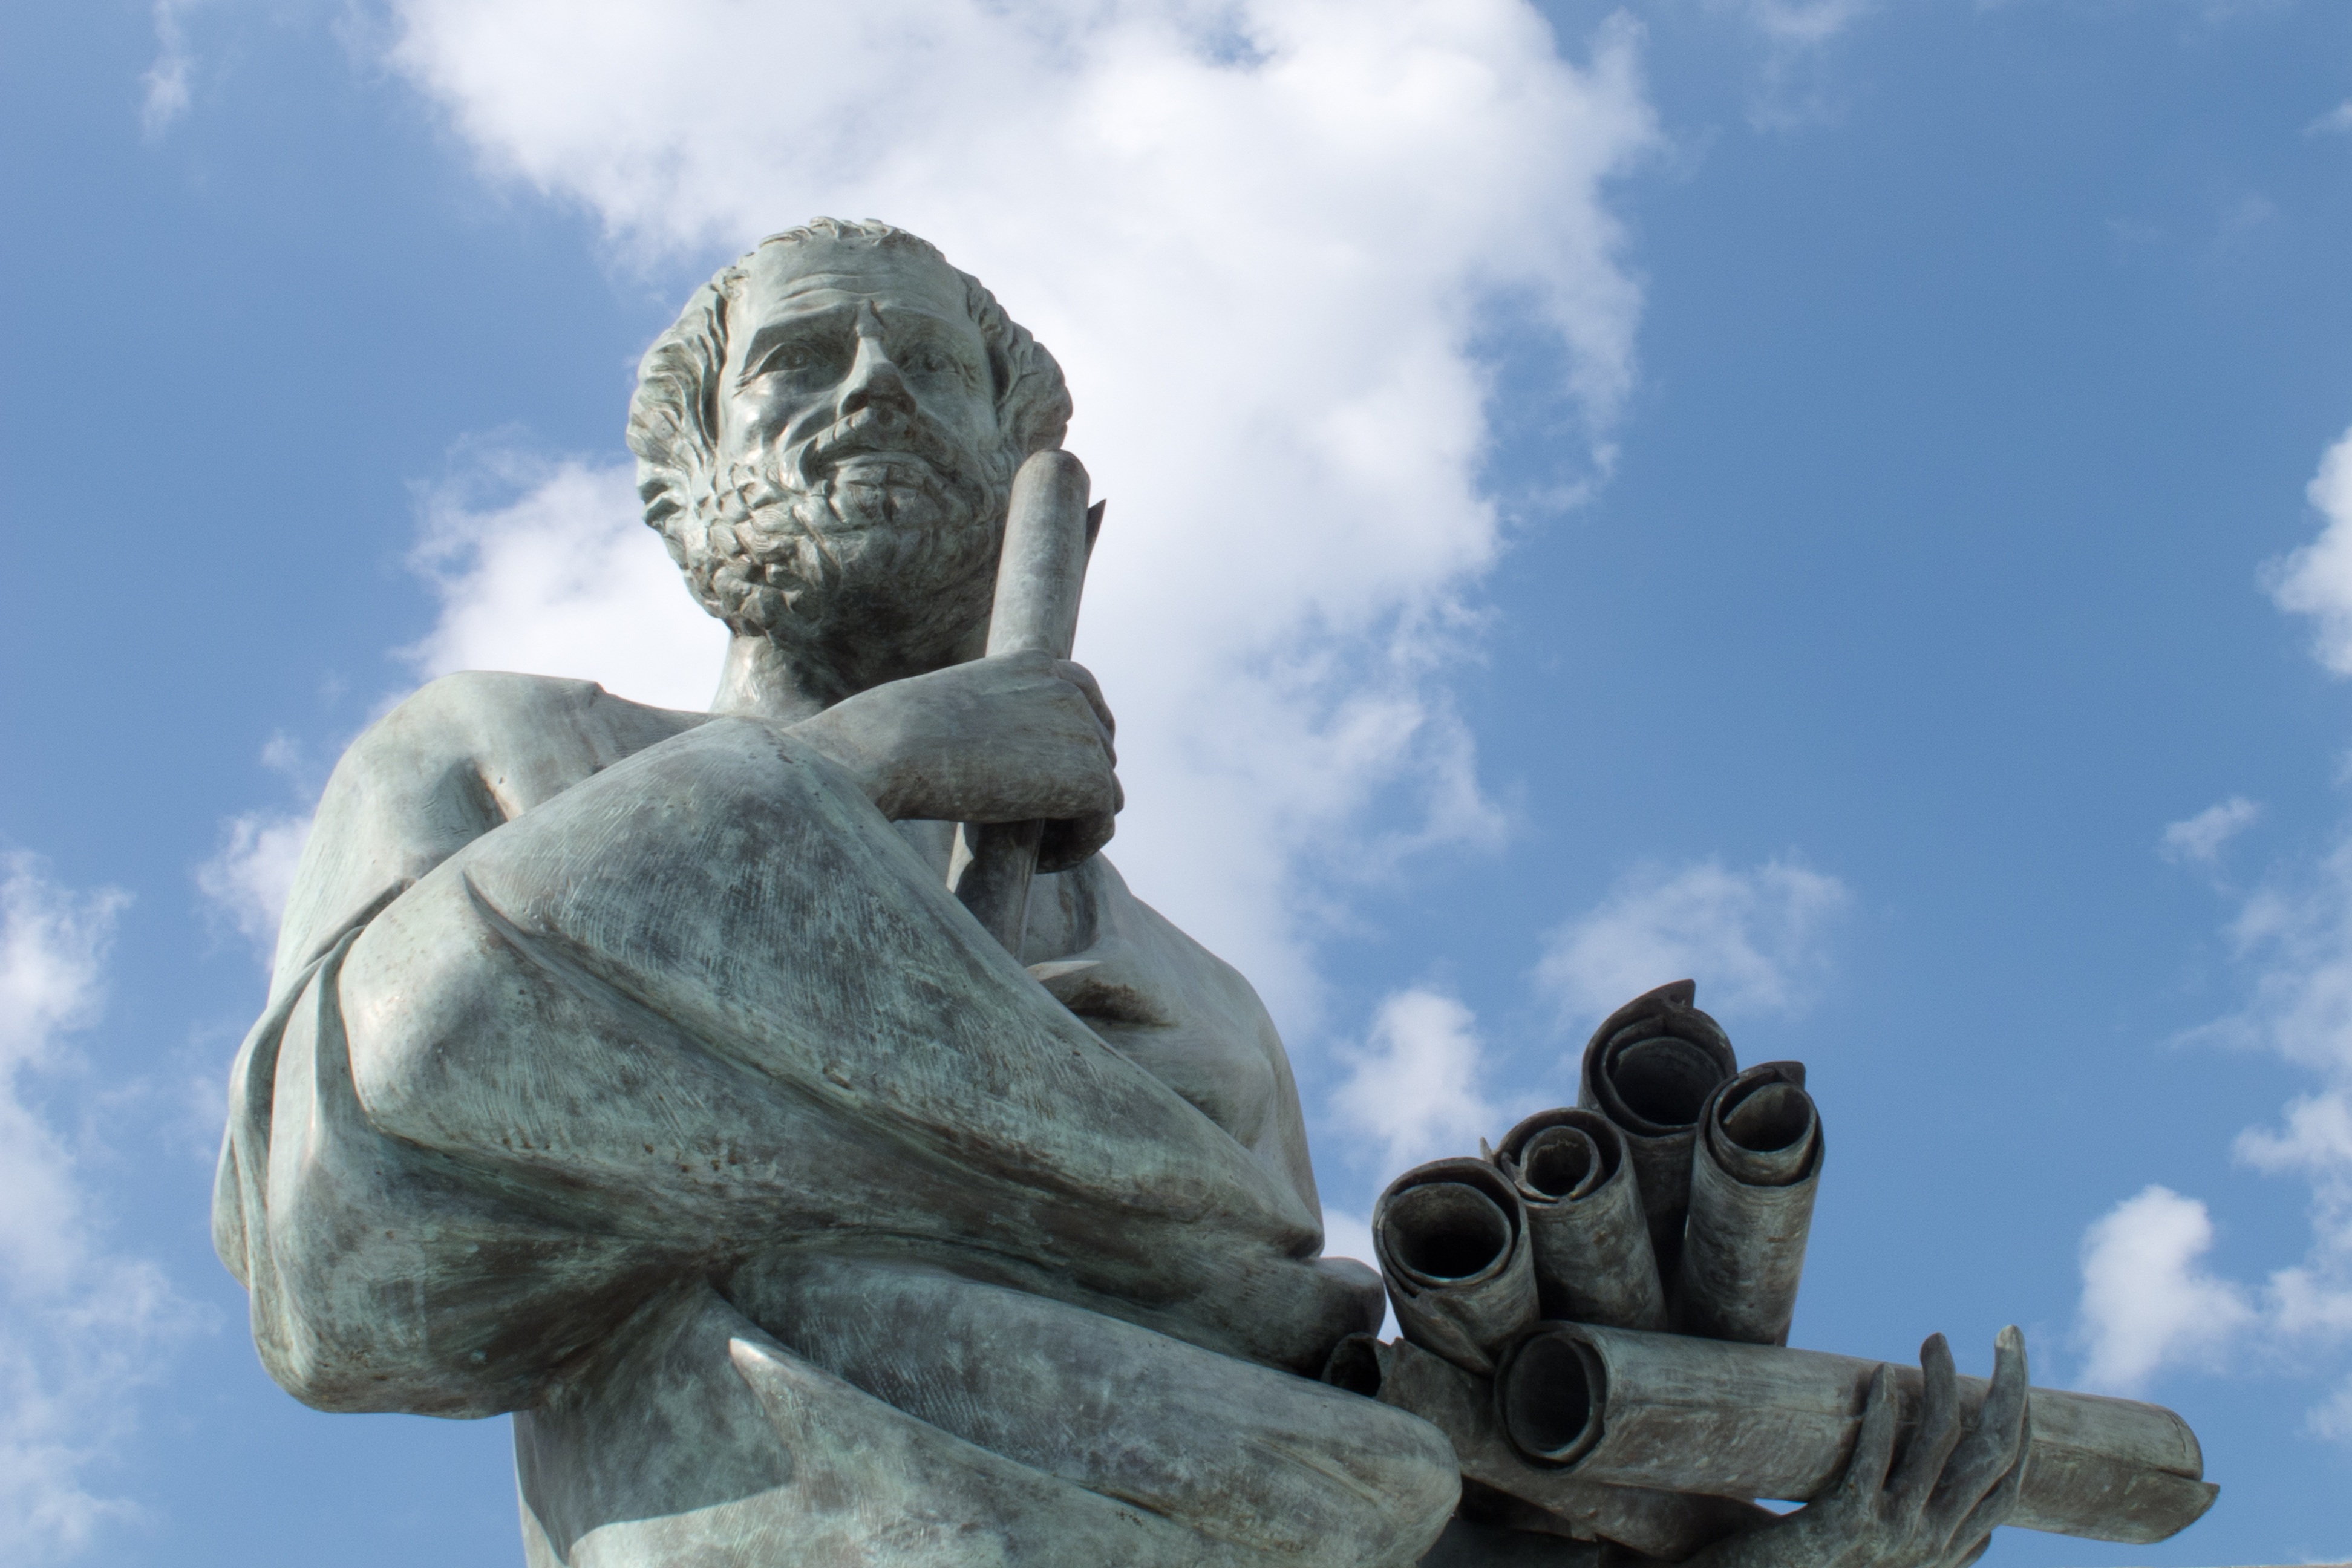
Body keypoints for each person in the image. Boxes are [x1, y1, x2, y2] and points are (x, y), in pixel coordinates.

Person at [214, 219, 2021, 1567]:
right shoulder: (506, 763)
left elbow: (1347, 1473)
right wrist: (881, 761)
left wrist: (1776, 1548)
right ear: (684, 481)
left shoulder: (1205, 1006)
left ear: (1028, 494)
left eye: (924, 368)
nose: (869, 393)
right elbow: (340, 1263)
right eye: (802, 361)